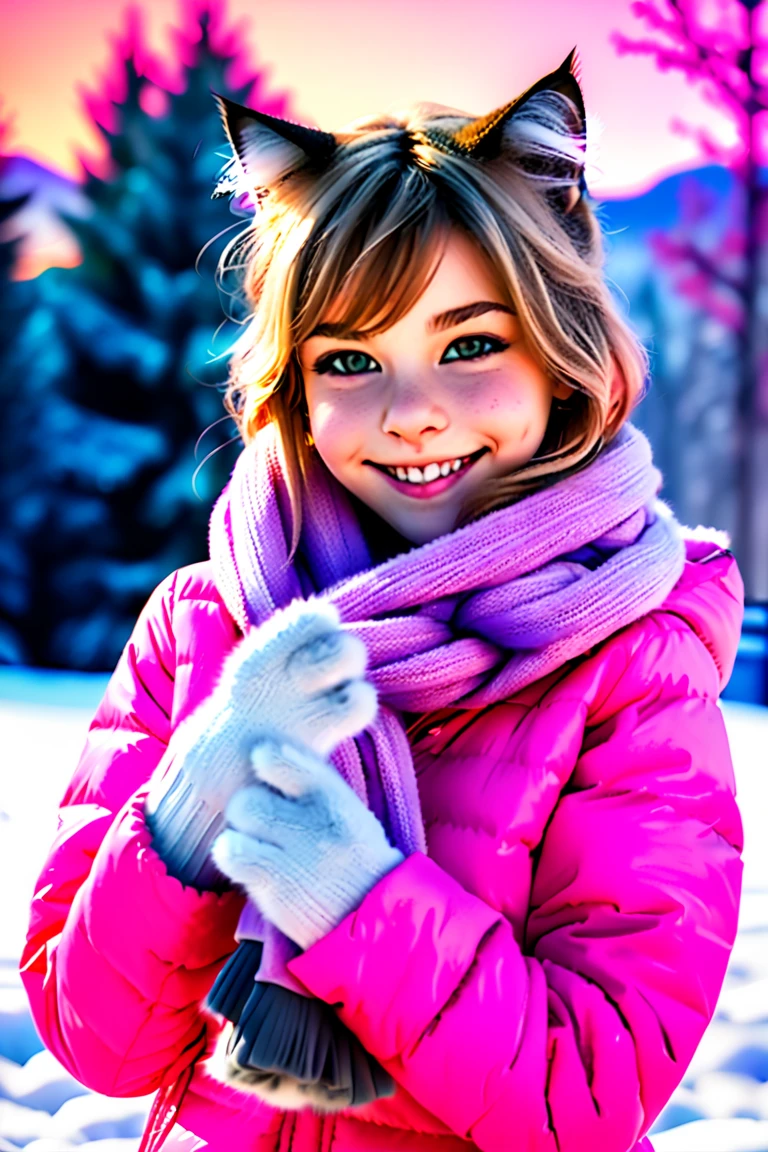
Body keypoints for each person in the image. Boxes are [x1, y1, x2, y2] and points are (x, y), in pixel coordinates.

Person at [19, 50, 745, 1152]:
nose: (411, 413)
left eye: (468, 344)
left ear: (564, 355)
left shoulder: (634, 660)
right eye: (351, 359)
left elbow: (589, 1101)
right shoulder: (204, 628)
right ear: (291, 381)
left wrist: (356, 898)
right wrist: (193, 800)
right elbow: (97, 1043)